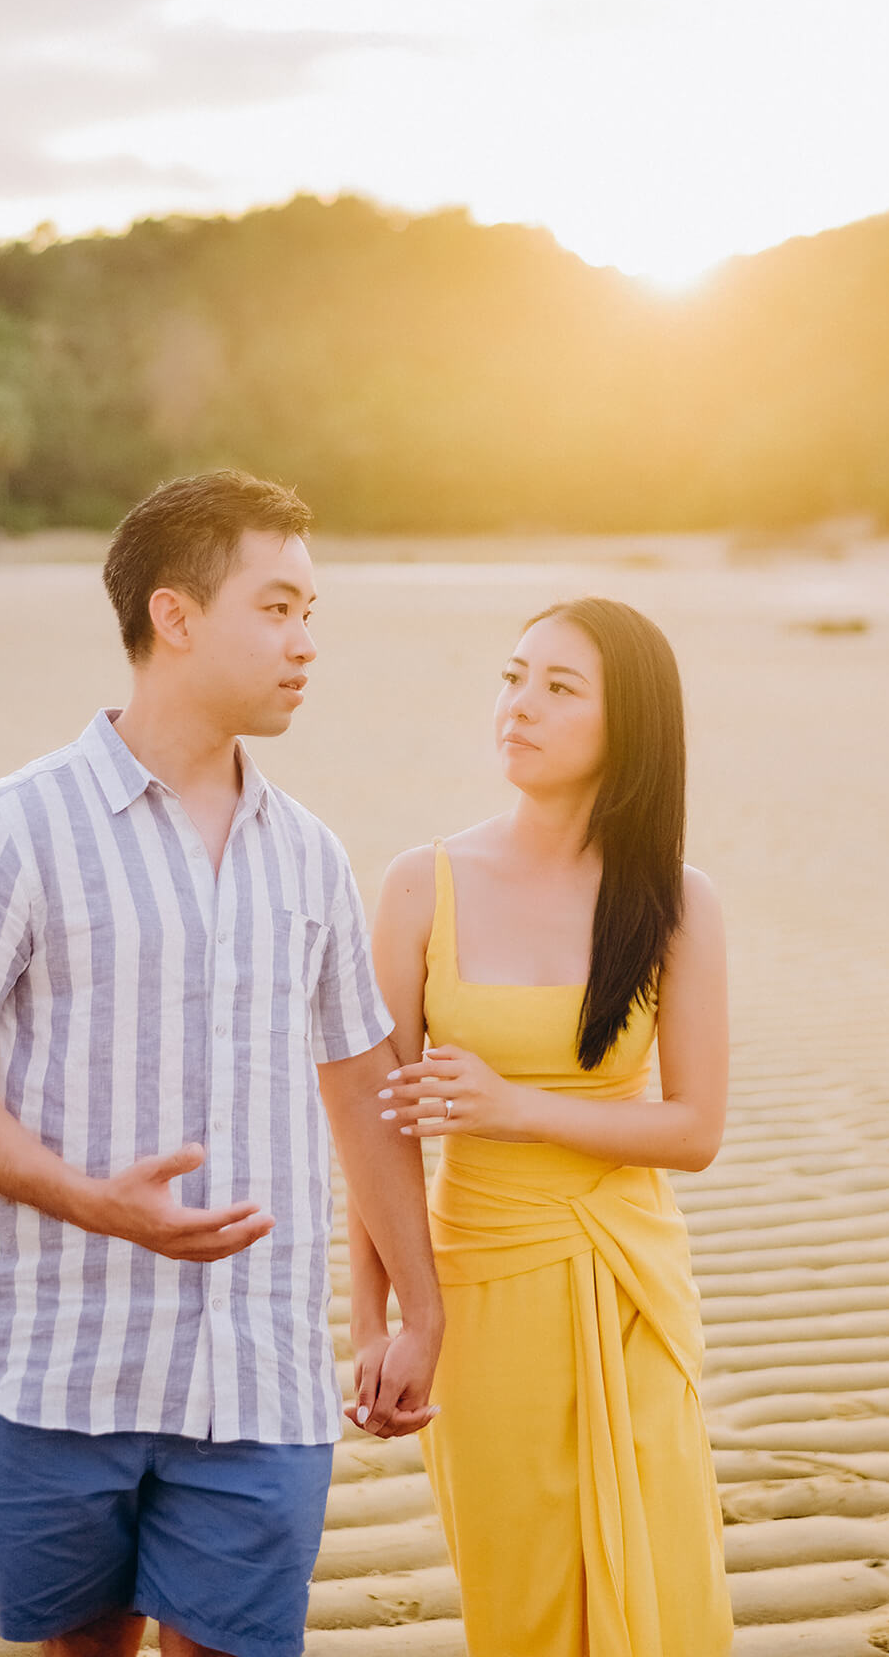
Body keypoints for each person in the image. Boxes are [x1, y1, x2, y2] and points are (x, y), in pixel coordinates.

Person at [0, 469, 443, 1657]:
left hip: (261, 1376)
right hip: (58, 1370)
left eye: (311, 614)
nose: (305, 643)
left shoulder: (309, 856)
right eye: (277, 607)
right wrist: (89, 1201)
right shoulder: (14, 826)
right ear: (175, 616)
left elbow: (359, 1087)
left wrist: (419, 1308)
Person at [348, 596, 734, 1656]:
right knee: (518, 1602)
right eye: (511, 676)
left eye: (558, 688)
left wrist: (513, 1105)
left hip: (627, 1281)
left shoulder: (676, 902)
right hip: (479, 1284)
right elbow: (374, 1133)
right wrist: (374, 1320)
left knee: (661, 1586)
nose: (517, 706)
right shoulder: (418, 885)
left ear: (629, 725)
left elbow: (694, 1127)